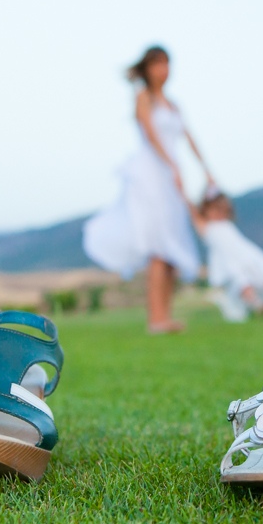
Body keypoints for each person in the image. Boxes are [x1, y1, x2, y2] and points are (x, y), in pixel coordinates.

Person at [83, 46, 214, 333]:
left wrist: (206, 171)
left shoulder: (173, 104)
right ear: (147, 68)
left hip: (171, 177)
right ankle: (155, 320)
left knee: (171, 251)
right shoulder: (143, 98)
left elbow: (188, 137)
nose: (163, 70)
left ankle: (165, 316)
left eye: (167, 63)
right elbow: (150, 134)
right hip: (151, 176)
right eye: (157, 64)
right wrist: (171, 166)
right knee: (157, 246)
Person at [184, 186, 263, 322]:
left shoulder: (226, 223)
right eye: (215, 209)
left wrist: (203, 166)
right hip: (227, 258)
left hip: (245, 253)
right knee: (241, 281)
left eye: (222, 210)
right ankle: (255, 302)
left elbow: (215, 187)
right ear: (206, 210)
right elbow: (192, 209)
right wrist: (182, 189)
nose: (219, 213)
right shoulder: (205, 227)